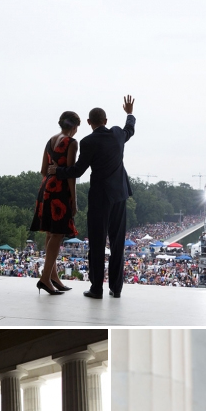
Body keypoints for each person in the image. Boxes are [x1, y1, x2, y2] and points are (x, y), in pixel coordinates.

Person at [49, 95, 136, 299]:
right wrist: (129, 113)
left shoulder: (88, 141)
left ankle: (97, 288)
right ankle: (116, 288)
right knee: (117, 244)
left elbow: (77, 171)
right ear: (105, 121)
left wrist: (57, 171)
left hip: (99, 198)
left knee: (97, 244)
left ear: (89, 123)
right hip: (120, 196)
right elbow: (129, 129)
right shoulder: (116, 134)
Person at [30, 111, 81, 295]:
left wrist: (53, 176)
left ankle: (53, 277)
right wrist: (74, 200)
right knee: (58, 233)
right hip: (60, 191)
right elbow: (70, 175)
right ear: (75, 127)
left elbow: (44, 170)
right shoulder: (71, 143)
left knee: (50, 233)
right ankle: (45, 278)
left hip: (46, 188)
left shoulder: (50, 140)